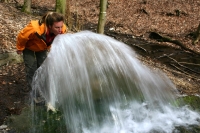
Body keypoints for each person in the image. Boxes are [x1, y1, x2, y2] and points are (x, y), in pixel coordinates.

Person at [16, 12, 67, 93]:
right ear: (49, 26)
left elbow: (60, 40)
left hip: (42, 48)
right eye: (57, 27)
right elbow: (22, 36)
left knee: (43, 68)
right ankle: (34, 92)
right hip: (29, 48)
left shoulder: (62, 29)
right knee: (31, 69)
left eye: (61, 26)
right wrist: (20, 48)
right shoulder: (34, 28)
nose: (60, 30)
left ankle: (43, 89)